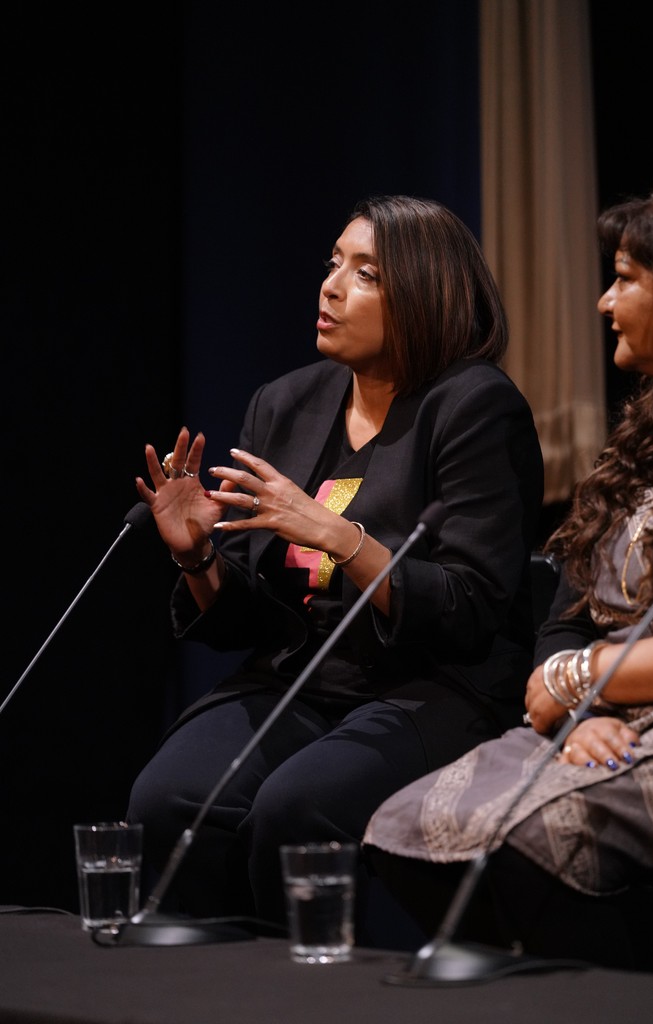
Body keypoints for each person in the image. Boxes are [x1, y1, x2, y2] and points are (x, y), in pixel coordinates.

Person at [126, 194, 544, 942]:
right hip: (300, 678)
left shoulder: (475, 407)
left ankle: (304, 990)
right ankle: (208, 993)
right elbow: (252, 616)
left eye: (365, 273)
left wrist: (340, 538)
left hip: (428, 686)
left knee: (297, 808)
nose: (330, 286)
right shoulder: (286, 403)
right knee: (168, 799)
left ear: (424, 294)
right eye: (333, 265)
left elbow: (471, 607)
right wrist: (197, 556)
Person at [363, 180, 653, 970]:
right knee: (405, 830)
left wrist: (579, 681)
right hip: (604, 714)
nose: (604, 302)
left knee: (521, 841)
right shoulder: (640, 442)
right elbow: (566, 615)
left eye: (624, 278)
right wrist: (575, 708)